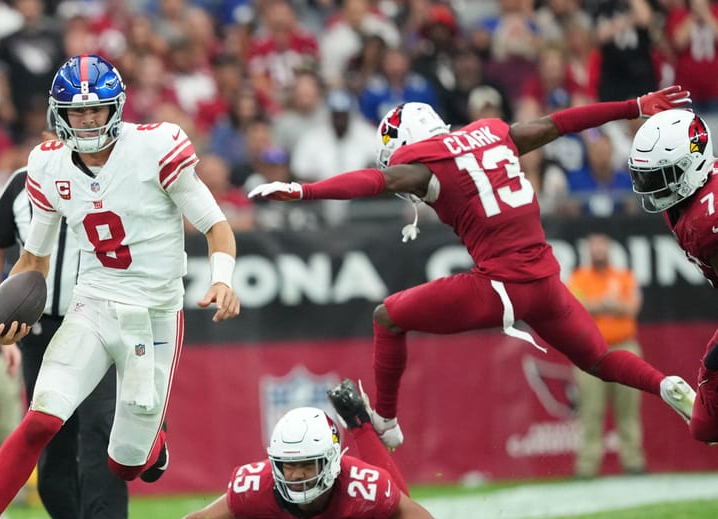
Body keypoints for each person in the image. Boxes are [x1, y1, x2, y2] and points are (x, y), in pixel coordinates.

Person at [0, 53, 241, 519]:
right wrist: (0, 313)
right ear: (59, 115)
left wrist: (222, 279)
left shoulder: (157, 146)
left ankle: (151, 447)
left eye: (97, 111)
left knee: (124, 466)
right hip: (93, 303)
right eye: (77, 114)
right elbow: (33, 262)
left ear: (117, 107)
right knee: (41, 421)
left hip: (153, 317)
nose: (88, 123)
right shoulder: (47, 166)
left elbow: (216, 225)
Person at [249, 88, 698, 452]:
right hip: (546, 281)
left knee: (387, 316)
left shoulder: (425, 164)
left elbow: (375, 181)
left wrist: (304, 190)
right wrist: (632, 106)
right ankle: (664, 384)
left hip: (503, 285)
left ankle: (386, 419)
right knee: (600, 359)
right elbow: (559, 123)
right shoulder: (493, 134)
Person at [102, 384, 450, 519]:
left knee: (389, 497)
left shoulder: (361, 485)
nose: (296, 475)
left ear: (330, 462)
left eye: (307, 465)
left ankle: (358, 423)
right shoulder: (255, 486)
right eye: (288, 465)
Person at [0, 162, 129, 519]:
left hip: (97, 322)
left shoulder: (116, 173)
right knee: (49, 432)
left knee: (102, 426)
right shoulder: (21, 180)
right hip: (39, 328)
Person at [627, 108, 718, 444]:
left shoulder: (707, 221)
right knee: (705, 429)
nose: (653, 189)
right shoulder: (687, 203)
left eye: (662, 177)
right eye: (648, 178)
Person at [567, 233, 646, 478]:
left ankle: (633, 462)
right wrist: (607, 304)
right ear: (588, 251)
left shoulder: (623, 276)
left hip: (625, 347)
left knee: (628, 409)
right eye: (594, 247)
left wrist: (597, 305)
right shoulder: (578, 277)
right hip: (590, 351)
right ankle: (587, 466)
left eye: (602, 247)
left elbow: (631, 307)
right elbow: (575, 307)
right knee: (590, 411)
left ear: (609, 250)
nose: (598, 251)